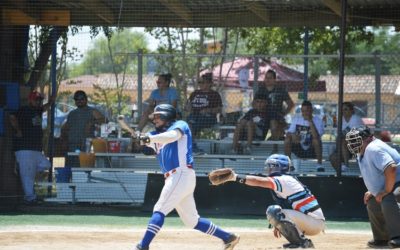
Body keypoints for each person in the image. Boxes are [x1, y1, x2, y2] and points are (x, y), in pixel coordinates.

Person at [134, 104, 239, 250]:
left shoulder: (179, 125)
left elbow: (172, 136)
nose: (155, 120)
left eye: (158, 116)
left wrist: (148, 139)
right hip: (178, 178)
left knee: (159, 209)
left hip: (180, 174)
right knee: (192, 221)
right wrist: (139, 139)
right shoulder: (154, 135)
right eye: (155, 117)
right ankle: (227, 237)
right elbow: (146, 148)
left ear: (167, 116)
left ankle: (143, 246)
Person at [214, 154, 325, 248]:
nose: (268, 168)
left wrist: (235, 177)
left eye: (270, 165)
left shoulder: (284, 179)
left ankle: (302, 244)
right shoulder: (285, 179)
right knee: (277, 213)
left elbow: (259, 182)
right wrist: (281, 225)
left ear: (278, 166)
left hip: (313, 222)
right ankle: (301, 243)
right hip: (311, 221)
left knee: (274, 212)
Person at [345, 126, 400, 249]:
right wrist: (374, 191)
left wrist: (386, 191)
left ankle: (398, 236)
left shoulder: (373, 148)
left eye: (358, 140)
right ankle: (382, 238)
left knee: (388, 199)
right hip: (394, 182)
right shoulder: (363, 151)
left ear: (369, 138)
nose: (354, 144)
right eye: (352, 141)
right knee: (373, 202)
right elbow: (377, 173)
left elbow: (391, 168)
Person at [9, 90, 55, 204]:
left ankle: (23, 169)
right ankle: (30, 198)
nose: (39, 102)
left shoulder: (37, 110)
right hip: (24, 147)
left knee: (46, 164)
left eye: (40, 100)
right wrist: (18, 130)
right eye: (36, 100)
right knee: (28, 176)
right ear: (30, 100)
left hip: (35, 148)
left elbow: (44, 108)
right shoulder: (24, 109)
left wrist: (50, 102)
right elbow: (12, 117)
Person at [61, 90, 107, 167]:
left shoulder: (92, 111)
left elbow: (105, 120)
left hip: (85, 146)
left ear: (86, 99)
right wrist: (64, 141)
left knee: (84, 168)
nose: (79, 101)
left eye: (81, 98)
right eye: (77, 99)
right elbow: (65, 128)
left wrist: (91, 122)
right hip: (71, 146)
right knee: (71, 169)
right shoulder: (72, 113)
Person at [185, 72, 222, 153]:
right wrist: (188, 107)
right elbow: (188, 106)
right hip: (194, 116)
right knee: (188, 124)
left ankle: (192, 147)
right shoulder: (195, 93)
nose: (200, 84)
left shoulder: (214, 94)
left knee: (191, 124)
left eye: (202, 82)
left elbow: (219, 109)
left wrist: (209, 110)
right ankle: (192, 147)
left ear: (209, 84)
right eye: (199, 82)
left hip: (208, 117)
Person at [284, 100, 325, 172]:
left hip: (312, 150)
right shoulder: (296, 119)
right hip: (299, 147)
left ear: (312, 110)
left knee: (316, 140)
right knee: (287, 139)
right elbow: (288, 133)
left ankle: (319, 164)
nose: (305, 113)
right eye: (303, 111)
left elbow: (317, 137)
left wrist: (310, 121)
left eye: (307, 111)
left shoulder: (318, 121)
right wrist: (293, 135)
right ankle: (288, 164)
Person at [255, 69, 294, 141]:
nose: (267, 80)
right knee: (258, 138)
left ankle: (275, 147)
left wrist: (283, 114)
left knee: (273, 123)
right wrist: (258, 110)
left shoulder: (280, 90)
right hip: (263, 115)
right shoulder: (261, 90)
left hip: (276, 116)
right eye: (266, 78)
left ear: (274, 79)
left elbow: (290, 104)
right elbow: (254, 103)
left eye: (270, 78)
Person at [329, 102, 364, 173]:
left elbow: (356, 136)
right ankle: (341, 174)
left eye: (346, 109)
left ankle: (346, 165)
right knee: (332, 157)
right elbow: (339, 135)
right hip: (343, 149)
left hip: (355, 148)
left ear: (351, 110)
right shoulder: (340, 120)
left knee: (344, 141)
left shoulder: (356, 119)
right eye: (342, 109)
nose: (343, 111)